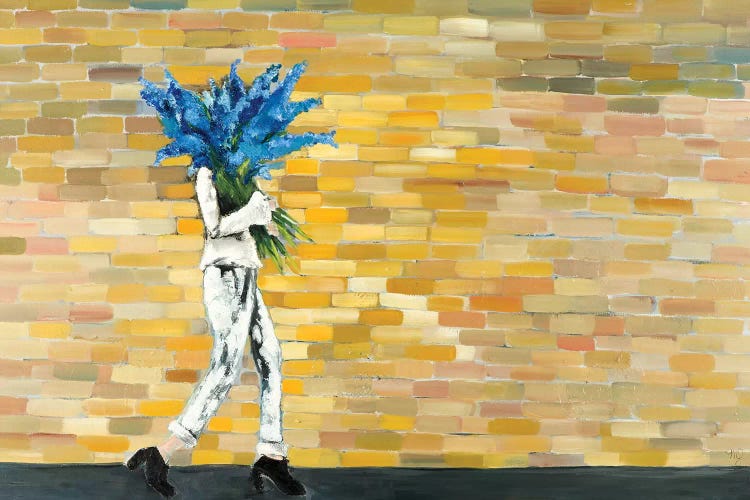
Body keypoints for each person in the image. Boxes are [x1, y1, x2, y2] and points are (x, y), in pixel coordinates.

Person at [126, 166, 305, 497]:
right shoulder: (207, 174)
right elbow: (216, 227)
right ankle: (163, 453)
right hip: (225, 277)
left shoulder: (238, 172)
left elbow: (246, 224)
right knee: (225, 367)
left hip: (246, 274)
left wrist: (265, 217)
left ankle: (272, 454)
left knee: (270, 357)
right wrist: (253, 211)